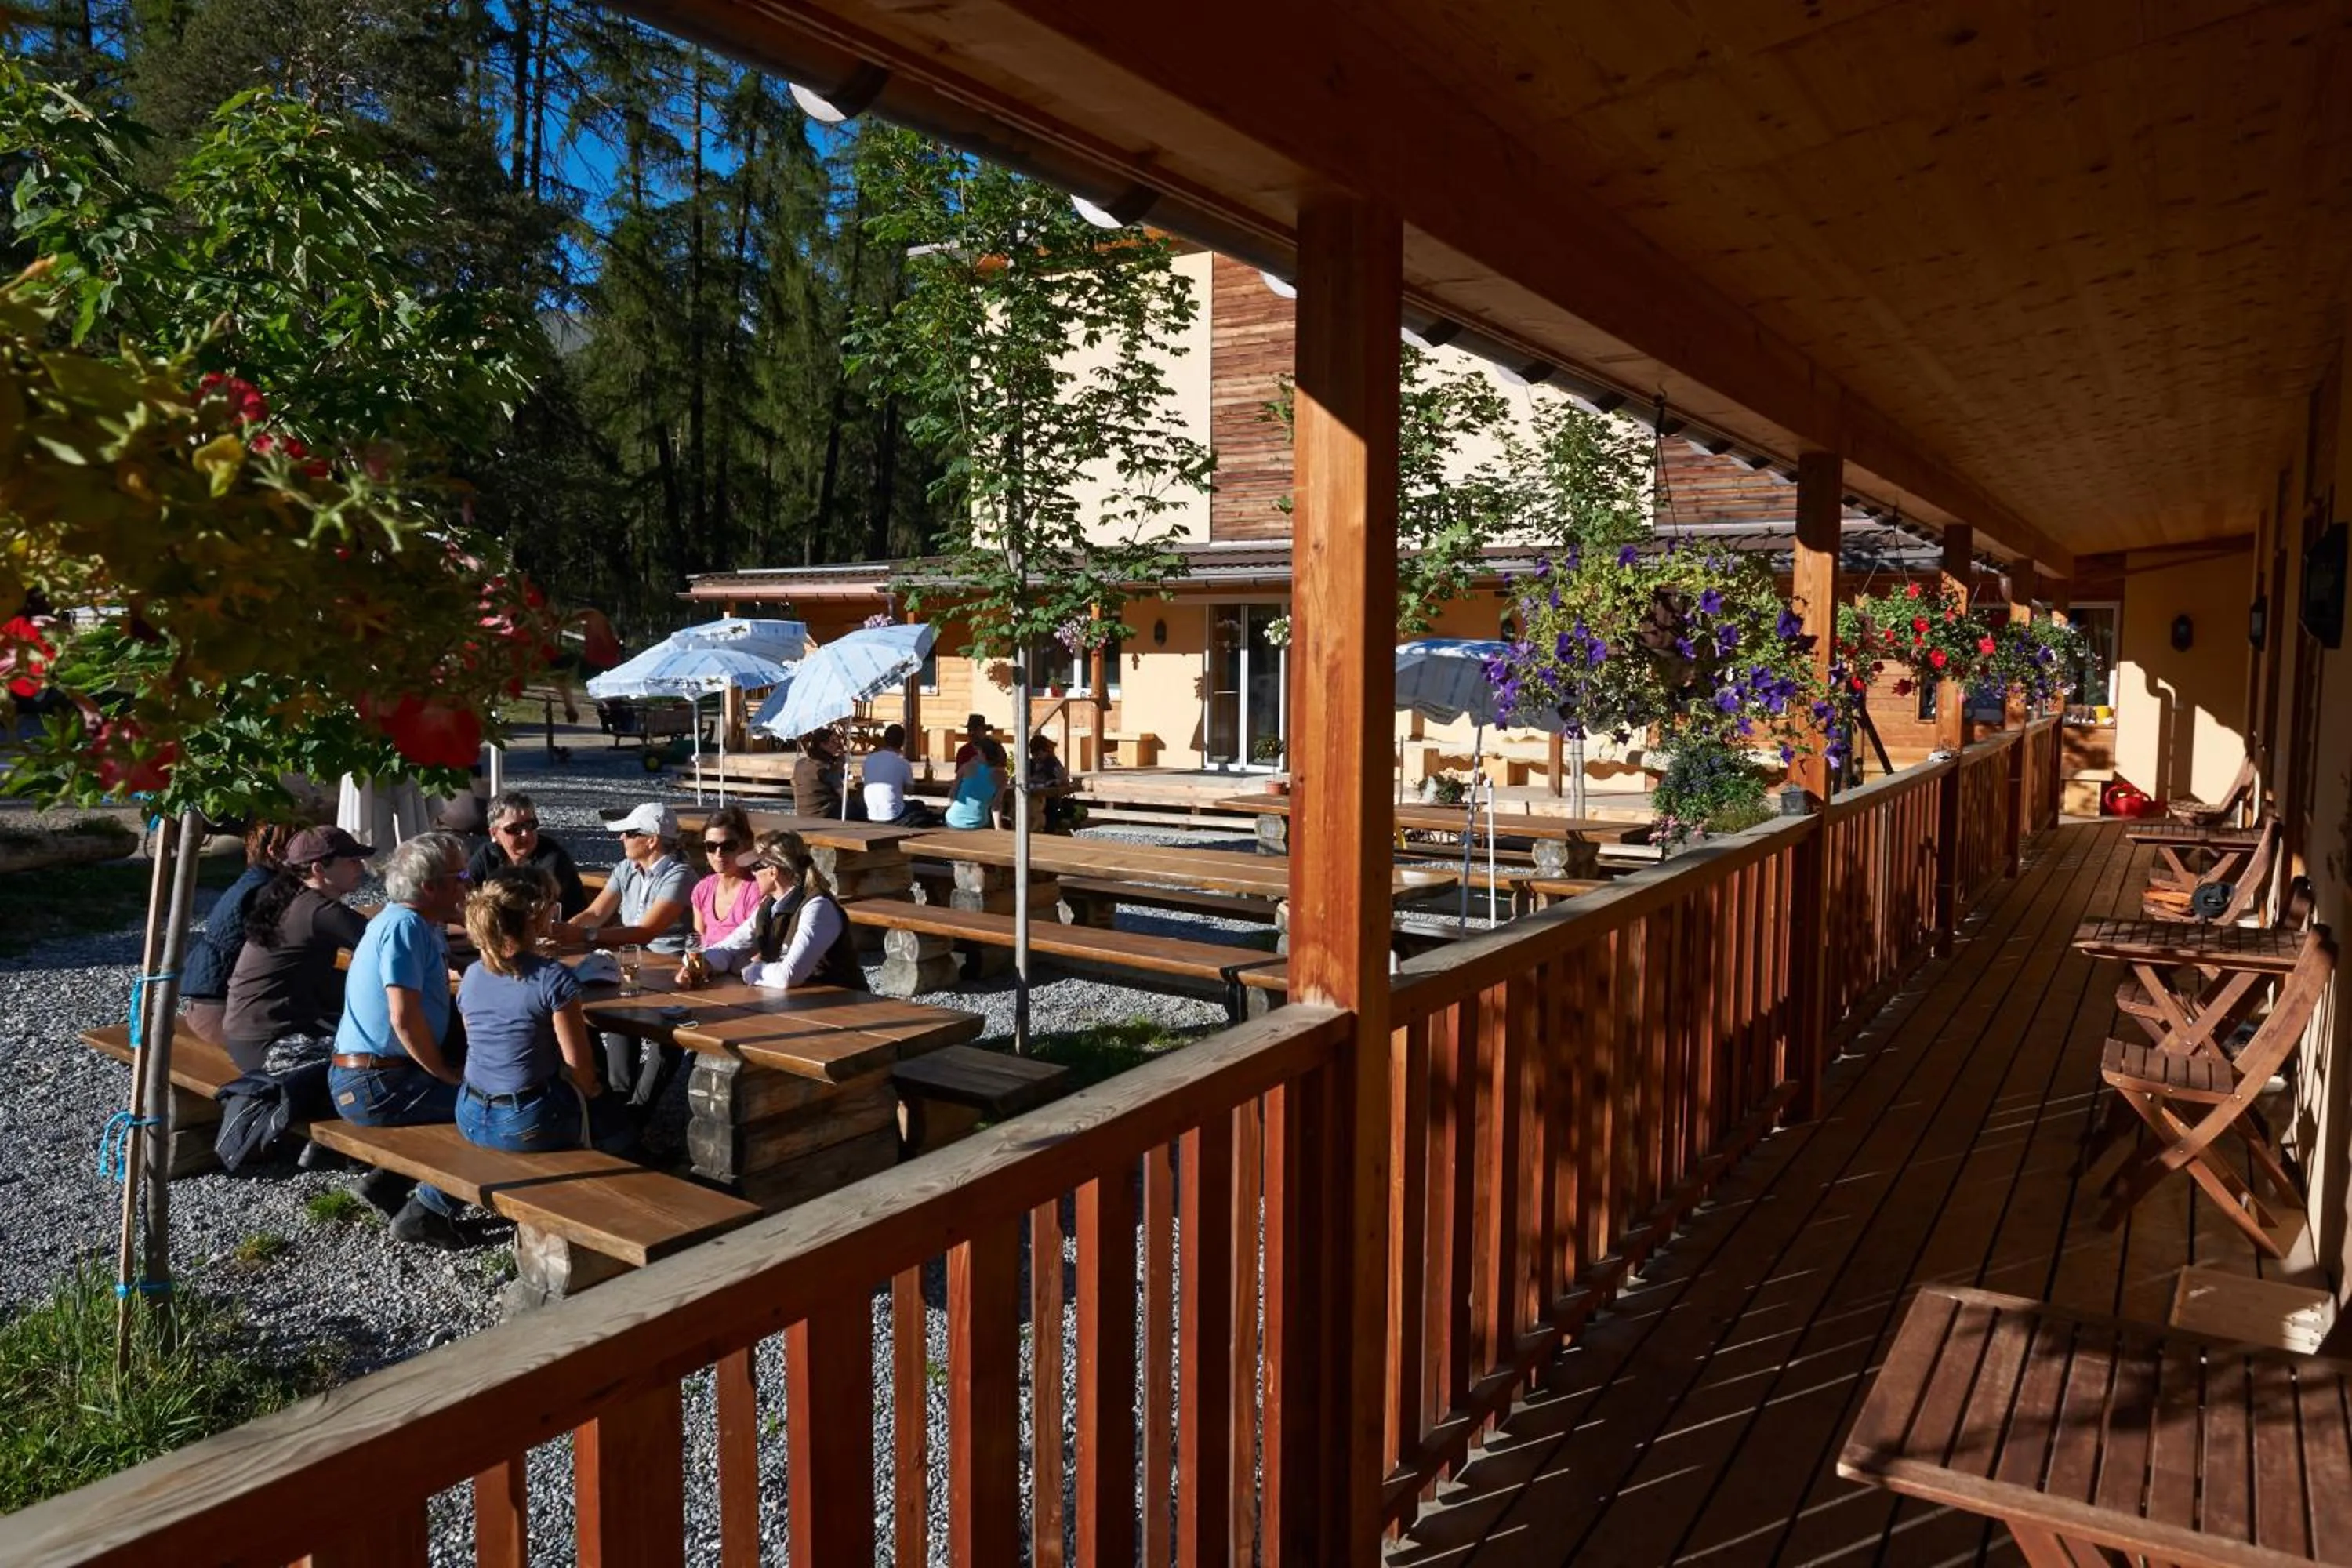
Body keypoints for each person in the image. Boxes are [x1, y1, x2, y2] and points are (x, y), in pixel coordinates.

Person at [330, 831, 471, 1248]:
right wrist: (444, 1073)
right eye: (461, 876)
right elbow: (403, 1017)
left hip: (373, 1075)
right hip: (376, 1084)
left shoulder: (409, 921)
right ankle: (428, 1212)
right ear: (430, 887)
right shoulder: (406, 928)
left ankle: (386, 1184)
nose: (468, 884)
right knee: (494, 1113)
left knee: (476, 1091)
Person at [454, 868, 634, 1155]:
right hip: (523, 1121)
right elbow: (580, 1069)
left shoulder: (473, 974)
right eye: (552, 904)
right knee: (618, 1128)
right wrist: (599, 1098)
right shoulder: (552, 978)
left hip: (470, 1112)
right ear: (537, 916)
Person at [557, 802, 692, 1110]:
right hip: (634, 963)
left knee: (665, 1034)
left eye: (630, 833)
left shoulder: (680, 875)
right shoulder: (626, 868)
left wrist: (584, 936)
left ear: (652, 840)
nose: (621, 838)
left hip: (672, 969)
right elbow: (595, 913)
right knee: (617, 1017)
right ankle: (619, 1100)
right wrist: (564, 931)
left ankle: (639, 1110)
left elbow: (646, 932)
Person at [220, 826, 373, 1075]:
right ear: (319, 869)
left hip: (247, 1035)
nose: (361, 867)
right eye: (352, 861)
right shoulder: (318, 911)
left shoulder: (290, 897)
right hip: (272, 1045)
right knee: (383, 1053)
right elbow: (388, 942)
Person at [702, 829, 868, 991]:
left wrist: (748, 970)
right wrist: (704, 963)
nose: (751, 874)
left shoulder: (818, 907)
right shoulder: (769, 905)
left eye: (754, 868)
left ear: (773, 872)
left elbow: (789, 976)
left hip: (845, 1003)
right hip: (802, 1001)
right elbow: (730, 946)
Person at [183, 820, 301, 1043]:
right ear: (275, 852)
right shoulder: (267, 892)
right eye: (301, 845)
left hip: (203, 1005)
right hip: (221, 1015)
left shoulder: (255, 879)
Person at [464, 790, 589, 919]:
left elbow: (533, 910)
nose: (526, 834)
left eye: (531, 825)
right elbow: (464, 879)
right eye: (515, 828)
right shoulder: (487, 855)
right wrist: (461, 877)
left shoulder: (553, 859)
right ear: (494, 833)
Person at [690, 804, 760, 949]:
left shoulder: (756, 891)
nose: (718, 854)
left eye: (728, 846)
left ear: (747, 844)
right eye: (711, 846)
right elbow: (699, 939)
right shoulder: (702, 889)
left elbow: (756, 949)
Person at [860, 724, 934, 826]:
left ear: (885, 739)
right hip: (893, 815)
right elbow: (910, 791)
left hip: (871, 814)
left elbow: (865, 780)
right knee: (919, 805)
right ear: (903, 742)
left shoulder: (869, 759)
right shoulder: (903, 763)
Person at [792, 729, 859, 819]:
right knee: (861, 809)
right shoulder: (826, 767)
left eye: (838, 741)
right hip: (824, 814)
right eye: (833, 741)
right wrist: (838, 767)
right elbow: (844, 797)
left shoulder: (800, 763)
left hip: (803, 812)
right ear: (822, 744)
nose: (838, 745)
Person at [1025, 731, 1085, 832]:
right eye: (1033, 753)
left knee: (1049, 818)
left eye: (1039, 753)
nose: (1036, 757)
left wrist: (1054, 782)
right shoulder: (1030, 763)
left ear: (1045, 751)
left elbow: (1064, 780)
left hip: (1050, 801)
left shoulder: (1052, 763)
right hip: (1032, 799)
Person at [944, 735, 1006, 829]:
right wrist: (998, 828)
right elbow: (996, 805)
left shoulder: (966, 767)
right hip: (979, 823)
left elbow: (952, 795)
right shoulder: (1002, 776)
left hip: (953, 820)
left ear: (981, 753)